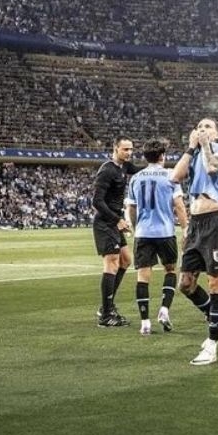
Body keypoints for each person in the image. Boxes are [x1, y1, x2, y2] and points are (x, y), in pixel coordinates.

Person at [169, 118, 218, 365]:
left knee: (215, 282)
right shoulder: (195, 154)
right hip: (196, 224)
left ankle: (212, 345)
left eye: (208, 127)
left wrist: (206, 145)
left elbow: (213, 168)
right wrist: (190, 148)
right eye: (199, 126)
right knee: (185, 284)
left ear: (217, 133)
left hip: (216, 220)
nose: (202, 129)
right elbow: (175, 177)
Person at [127, 139, 188, 335]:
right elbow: (178, 205)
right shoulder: (171, 176)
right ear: (162, 156)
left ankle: (145, 322)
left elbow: (132, 208)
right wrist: (186, 229)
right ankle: (164, 309)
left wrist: (137, 228)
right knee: (170, 270)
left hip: (144, 232)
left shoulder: (136, 178)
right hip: (165, 232)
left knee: (143, 277)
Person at [92, 138, 138, 327]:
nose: (128, 153)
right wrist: (117, 220)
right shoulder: (107, 170)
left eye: (131, 149)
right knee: (112, 263)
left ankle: (107, 306)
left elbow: (143, 171)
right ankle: (106, 315)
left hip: (114, 221)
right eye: (125, 149)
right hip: (106, 222)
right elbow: (97, 201)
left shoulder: (124, 167)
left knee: (126, 260)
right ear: (115, 149)